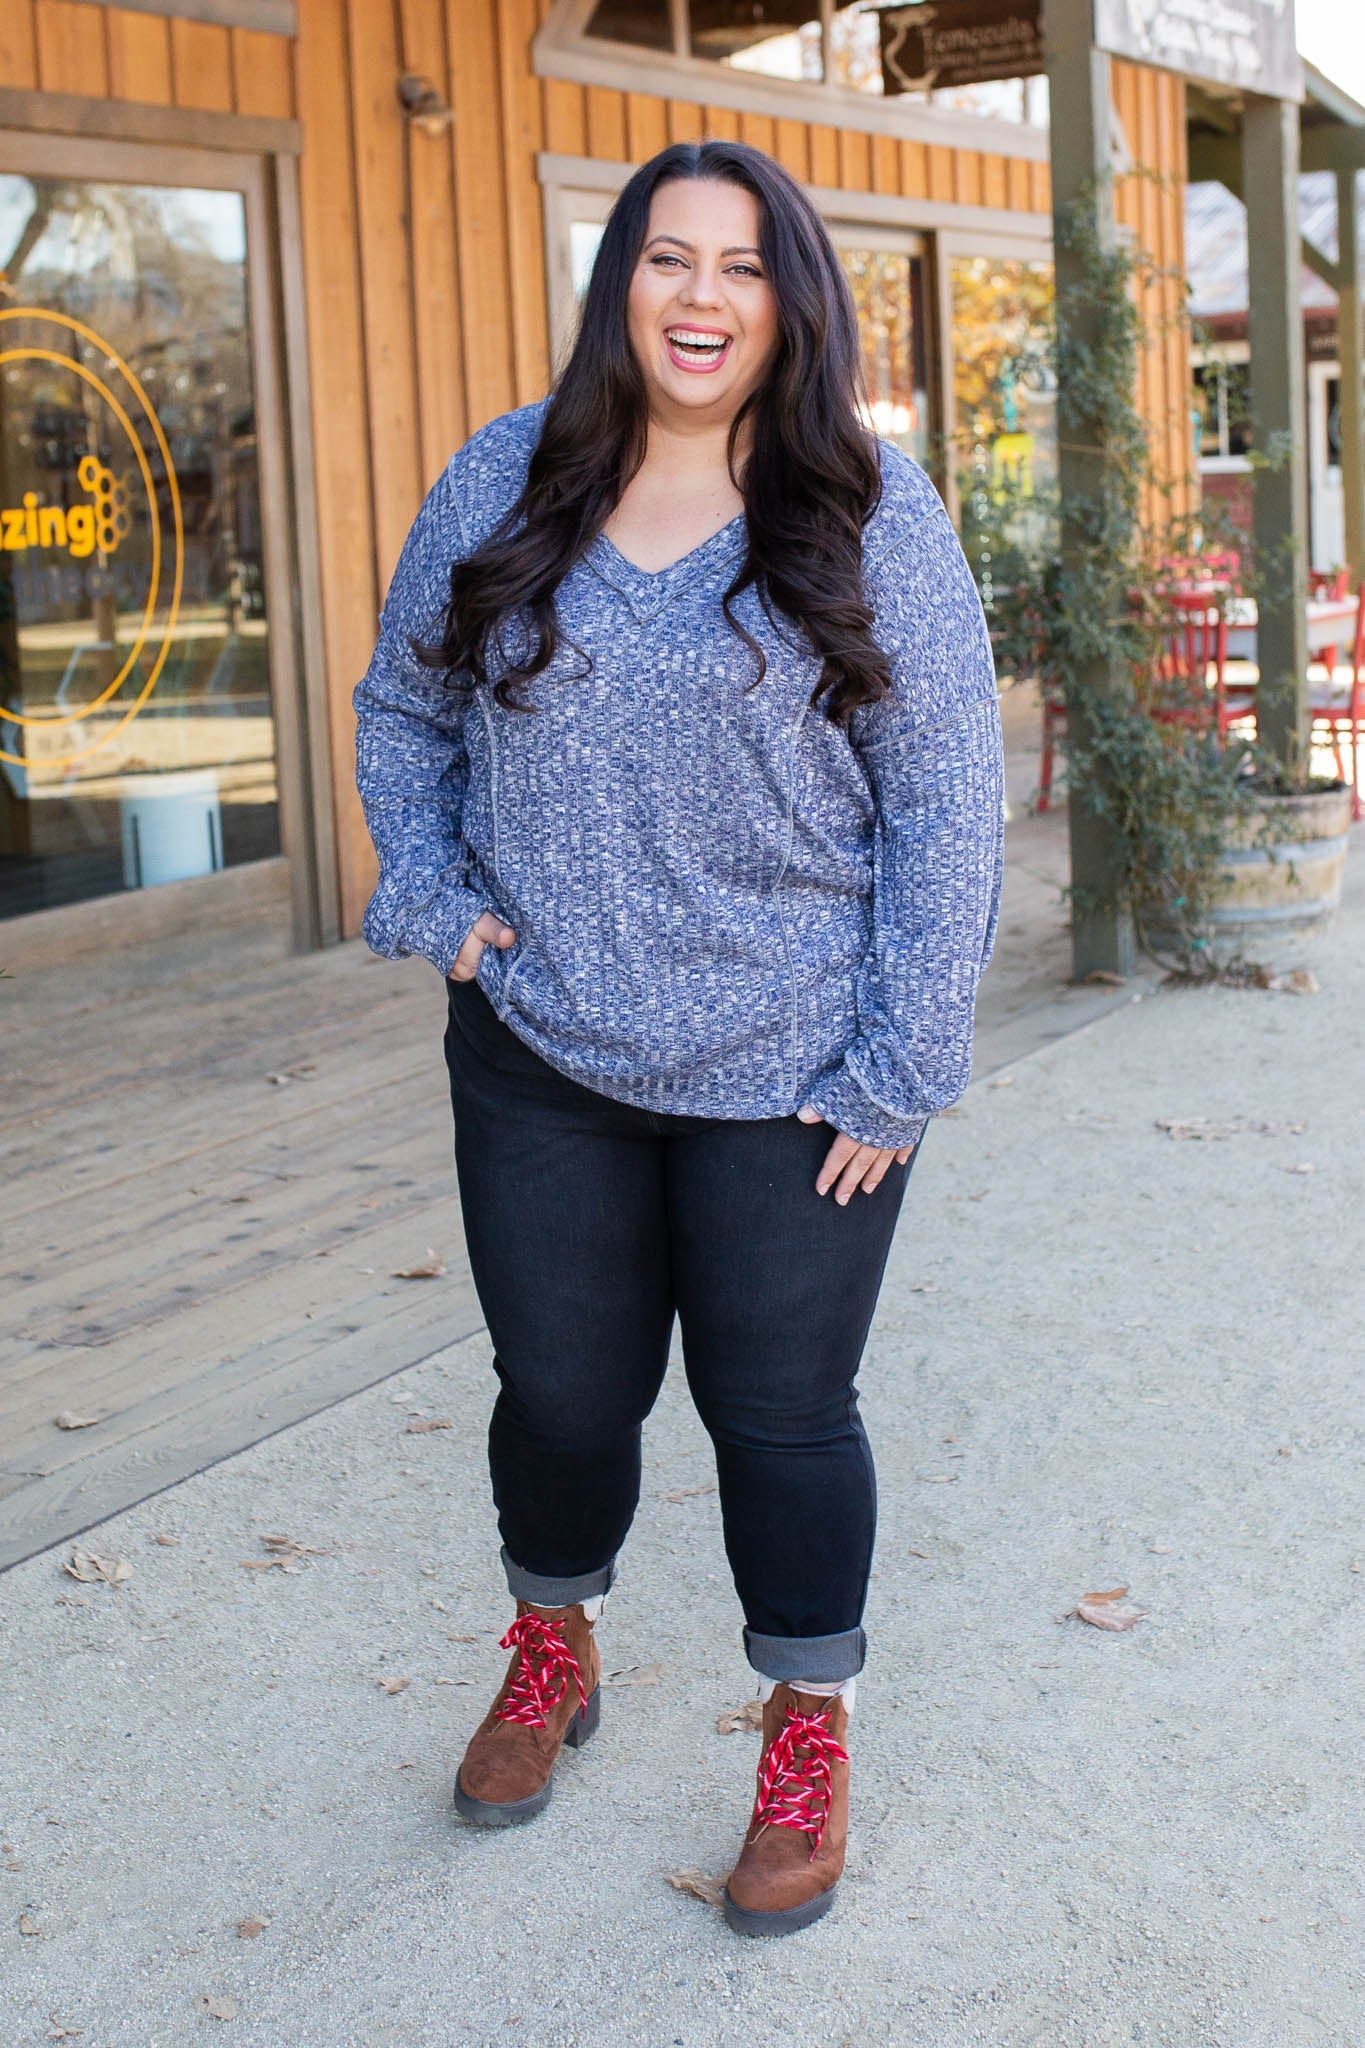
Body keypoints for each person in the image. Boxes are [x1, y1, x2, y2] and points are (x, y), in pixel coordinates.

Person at [352, 140, 1003, 1938]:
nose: (698, 297)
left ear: (790, 299)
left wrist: (899, 1061)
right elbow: (403, 702)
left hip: (795, 1077)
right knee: (560, 1394)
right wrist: (429, 889)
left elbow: (945, 811)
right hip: (541, 1047)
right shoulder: (509, 475)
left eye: (738, 265)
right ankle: (549, 1647)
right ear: (618, 285)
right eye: (663, 259)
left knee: (779, 1416)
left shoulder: (874, 512)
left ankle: (806, 1732)